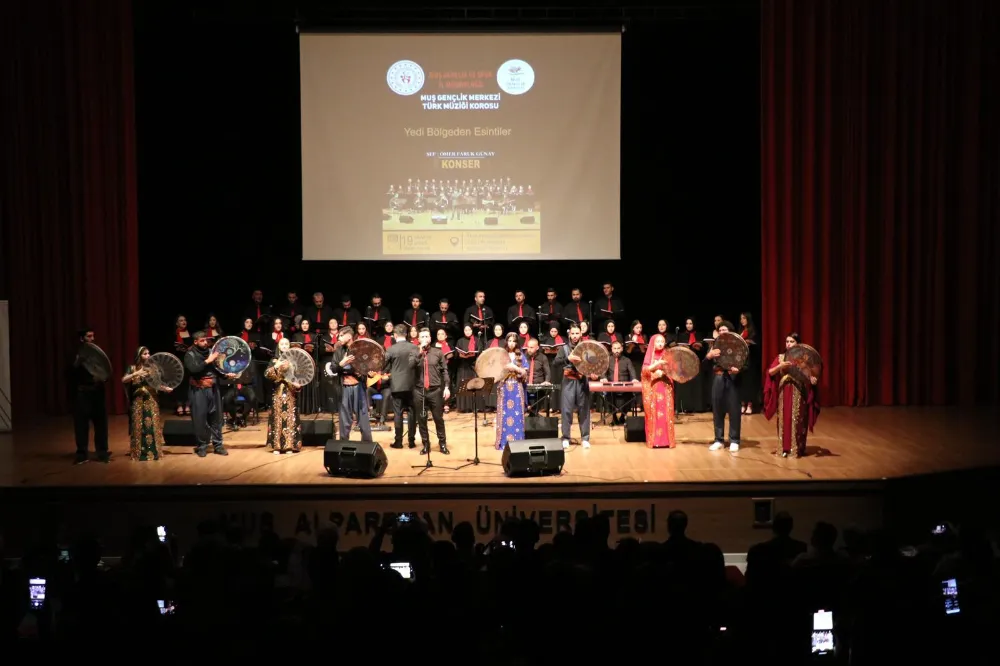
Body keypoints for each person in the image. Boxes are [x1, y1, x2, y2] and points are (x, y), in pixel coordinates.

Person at [763, 332, 820, 458]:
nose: (788, 344)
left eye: (792, 341)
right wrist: (780, 366)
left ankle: (797, 448)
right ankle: (784, 448)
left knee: (797, 419)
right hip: (784, 392)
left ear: (798, 344)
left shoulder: (804, 359)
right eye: (787, 341)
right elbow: (770, 372)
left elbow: (811, 376)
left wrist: (813, 381)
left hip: (799, 393)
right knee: (784, 418)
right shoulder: (781, 357)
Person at [183, 330, 234, 457]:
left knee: (216, 418)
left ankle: (218, 445)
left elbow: (217, 369)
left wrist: (226, 375)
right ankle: (202, 446)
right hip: (199, 390)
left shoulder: (211, 352)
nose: (205, 342)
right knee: (200, 419)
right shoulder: (190, 354)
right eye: (202, 340)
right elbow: (193, 369)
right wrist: (208, 360)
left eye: (206, 340)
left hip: (213, 389)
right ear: (195, 342)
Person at [121, 346, 173, 461]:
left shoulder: (153, 368)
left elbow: (157, 384)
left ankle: (155, 452)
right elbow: (123, 380)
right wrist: (136, 374)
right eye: (145, 354)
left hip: (151, 399)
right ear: (139, 356)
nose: (148, 355)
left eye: (148, 353)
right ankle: (138, 452)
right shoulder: (132, 368)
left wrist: (166, 389)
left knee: (153, 424)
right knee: (138, 424)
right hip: (138, 400)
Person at [554, 323, 600, 449]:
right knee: (566, 410)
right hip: (568, 380)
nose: (575, 336)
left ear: (581, 334)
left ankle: (585, 438)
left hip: (582, 380)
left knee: (583, 410)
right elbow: (555, 363)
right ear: (569, 334)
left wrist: (593, 374)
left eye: (577, 333)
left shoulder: (586, 348)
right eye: (572, 333)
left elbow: (593, 364)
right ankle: (566, 438)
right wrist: (567, 359)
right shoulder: (564, 349)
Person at [70, 328, 110, 464]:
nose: (92, 339)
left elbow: (105, 370)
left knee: (101, 424)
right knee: (81, 425)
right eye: (89, 336)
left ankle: (102, 453)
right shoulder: (75, 353)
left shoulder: (96, 354)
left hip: (97, 392)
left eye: (93, 336)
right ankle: (82, 454)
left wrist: (103, 378)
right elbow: (69, 373)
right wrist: (77, 362)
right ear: (81, 339)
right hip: (82, 393)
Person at [327, 327, 373, 442]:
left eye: (341, 335)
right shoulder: (339, 351)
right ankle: (343, 443)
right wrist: (341, 364)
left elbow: (367, 367)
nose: (339, 338)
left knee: (362, 415)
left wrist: (369, 373)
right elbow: (333, 368)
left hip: (358, 387)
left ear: (349, 336)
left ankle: (367, 444)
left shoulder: (360, 350)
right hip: (344, 387)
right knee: (344, 417)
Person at [704, 321, 744, 452]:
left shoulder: (738, 345)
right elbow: (704, 366)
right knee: (717, 410)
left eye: (724, 330)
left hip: (733, 378)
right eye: (720, 330)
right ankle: (718, 440)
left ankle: (734, 440)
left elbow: (746, 364)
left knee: (734, 410)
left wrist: (738, 370)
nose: (721, 332)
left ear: (730, 331)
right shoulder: (714, 346)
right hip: (718, 378)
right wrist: (709, 356)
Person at [414, 328, 451, 454]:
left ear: (430, 338)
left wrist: (446, 387)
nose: (425, 339)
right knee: (421, 419)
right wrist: (419, 353)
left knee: (438, 419)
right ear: (418, 339)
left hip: (435, 390)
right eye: (422, 337)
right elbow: (410, 365)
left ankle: (442, 444)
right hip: (419, 390)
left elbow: (444, 370)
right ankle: (426, 445)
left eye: (427, 336)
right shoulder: (414, 353)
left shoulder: (438, 352)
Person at [383, 323, 418, 449]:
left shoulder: (391, 349)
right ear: (407, 334)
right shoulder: (414, 347)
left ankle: (398, 441)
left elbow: (384, 366)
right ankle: (412, 441)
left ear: (395, 335)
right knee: (412, 413)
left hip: (397, 386)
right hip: (411, 385)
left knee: (398, 413)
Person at [264, 338, 302, 454]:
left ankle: (289, 446)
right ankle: (277, 446)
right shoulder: (274, 360)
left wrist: (298, 384)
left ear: (289, 346)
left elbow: (299, 377)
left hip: (290, 393)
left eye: (286, 344)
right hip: (278, 393)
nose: (284, 346)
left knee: (290, 419)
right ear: (279, 347)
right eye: (282, 344)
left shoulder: (294, 361)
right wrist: (276, 366)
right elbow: (267, 374)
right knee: (277, 419)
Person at [640, 334, 676, 448]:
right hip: (653, 388)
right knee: (653, 413)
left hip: (665, 387)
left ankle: (667, 441)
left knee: (666, 413)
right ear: (653, 343)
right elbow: (644, 371)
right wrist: (656, 366)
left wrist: (664, 372)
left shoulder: (668, 355)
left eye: (662, 341)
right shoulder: (649, 355)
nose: (660, 343)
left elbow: (674, 370)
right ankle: (654, 441)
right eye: (658, 341)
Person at [495, 332, 528, 450]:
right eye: (509, 341)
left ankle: (518, 442)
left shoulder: (521, 356)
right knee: (505, 415)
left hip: (516, 388)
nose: (511, 343)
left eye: (514, 341)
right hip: (504, 388)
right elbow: (495, 372)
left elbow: (525, 373)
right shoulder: (502, 356)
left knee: (517, 414)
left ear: (517, 343)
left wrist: (515, 368)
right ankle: (504, 443)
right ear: (506, 342)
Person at [605, 339, 638, 425]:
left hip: (624, 387)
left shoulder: (627, 360)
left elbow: (632, 371)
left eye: (618, 348)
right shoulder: (607, 360)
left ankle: (623, 416)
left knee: (629, 395)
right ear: (612, 349)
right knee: (609, 395)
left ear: (622, 349)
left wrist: (634, 379)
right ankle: (614, 417)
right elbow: (603, 372)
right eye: (615, 348)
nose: (616, 350)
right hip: (611, 387)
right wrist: (603, 378)